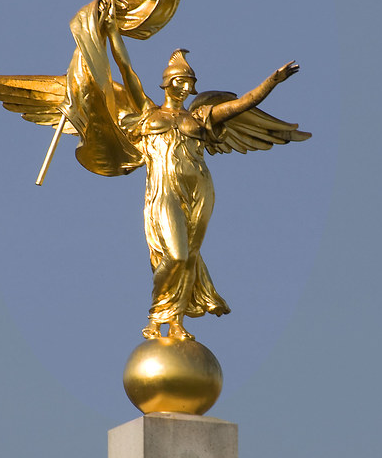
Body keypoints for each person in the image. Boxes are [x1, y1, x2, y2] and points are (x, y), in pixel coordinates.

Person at [106, 17, 301, 340]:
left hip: (200, 189)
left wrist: (273, 82)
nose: (187, 87)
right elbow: (126, 68)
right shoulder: (147, 112)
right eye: (181, 80)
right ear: (168, 83)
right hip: (163, 191)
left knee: (189, 256)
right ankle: (157, 317)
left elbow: (242, 104)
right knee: (176, 254)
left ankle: (177, 321)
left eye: (190, 82)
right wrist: (112, 31)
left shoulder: (199, 116)